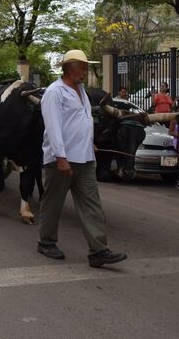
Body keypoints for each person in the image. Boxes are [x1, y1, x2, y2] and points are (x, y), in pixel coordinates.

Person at [38, 50, 127, 268]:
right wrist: (60, 156)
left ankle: (99, 251)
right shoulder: (54, 92)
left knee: (92, 205)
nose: (86, 71)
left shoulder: (81, 91)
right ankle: (46, 241)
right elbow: (54, 127)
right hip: (62, 159)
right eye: (83, 67)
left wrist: (89, 142)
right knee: (54, 202)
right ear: (69, 68)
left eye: (86, 67)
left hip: (85, 158)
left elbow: (83, 121)